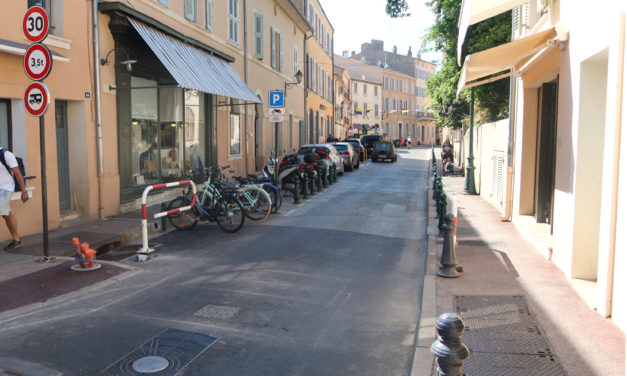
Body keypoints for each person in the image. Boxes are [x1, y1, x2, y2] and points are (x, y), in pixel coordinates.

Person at [0, 148, 29, 250]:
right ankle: (16, 240)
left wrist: (24, 191)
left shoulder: (6, 155)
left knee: (4, 213)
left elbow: (17, 173)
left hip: (5, 189)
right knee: (6, 215)